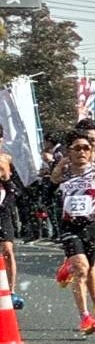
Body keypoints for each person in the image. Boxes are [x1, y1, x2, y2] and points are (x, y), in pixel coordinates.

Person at [51, 130, 95, 335]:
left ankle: (67, 268)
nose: (82, 152)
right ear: (69, 151)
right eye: (77, 148)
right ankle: (85, 318)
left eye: (86, 148)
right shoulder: (63, 172)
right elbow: (48, 191)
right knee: (82, 268)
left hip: (91, 226)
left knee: (90, 266)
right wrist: (57, 170)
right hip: (70, 227)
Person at [0, 124, 24, 309]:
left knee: (8, 249)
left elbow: (16, 189)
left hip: (2, 211)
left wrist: (6, 177)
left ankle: (11, 291)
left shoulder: (6, 161)